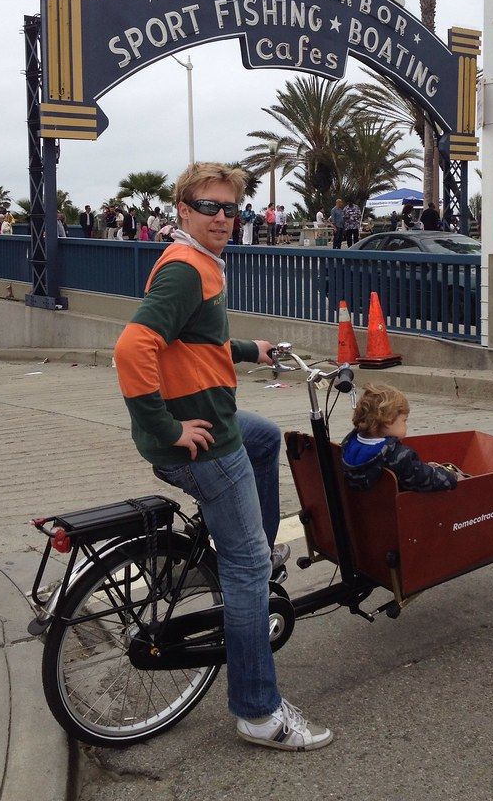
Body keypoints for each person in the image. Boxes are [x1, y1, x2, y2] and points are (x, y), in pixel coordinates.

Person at [113, 161, 332, 751]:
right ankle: (259, 713)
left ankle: (254, 547)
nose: (222, 218)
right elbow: (133, 348)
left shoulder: (201, 262)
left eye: (230, 208)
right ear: (184, 210)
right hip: (204, 443)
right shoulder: (186, 269)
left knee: (265, 437)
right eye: (209, 207)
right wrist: (165, 428)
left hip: (223, 426)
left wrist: (249, 349)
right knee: (245, 569)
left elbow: (195, 339)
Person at [341, 384, 463, 492]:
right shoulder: (398, 456)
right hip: (401, 507)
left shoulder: (348, 445)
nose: (406, 425)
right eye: (404, 420)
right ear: (388, 421)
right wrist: (451, 477)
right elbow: (424, 479)